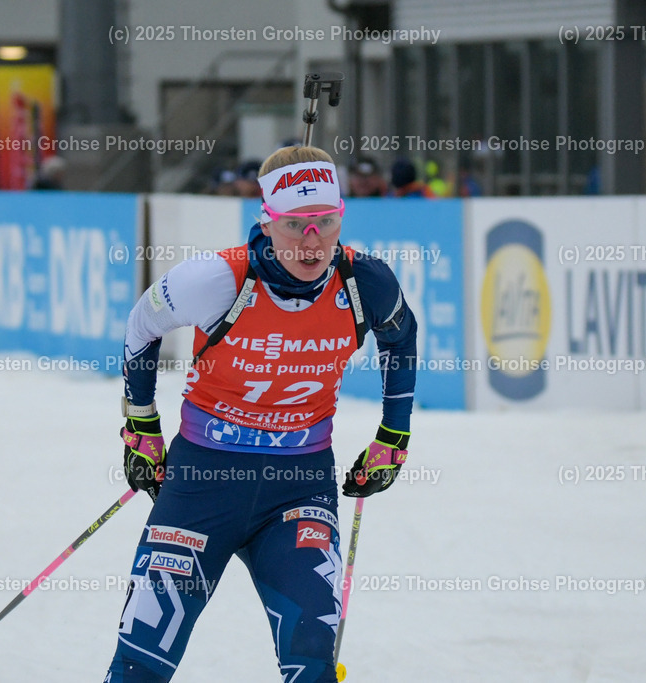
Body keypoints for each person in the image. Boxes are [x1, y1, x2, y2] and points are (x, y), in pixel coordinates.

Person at [103, 145, 418, 682]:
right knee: (144, 656)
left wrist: (394, 436)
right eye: (296, 224)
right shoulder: (216, 280)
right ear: (266, 222)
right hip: (203, 482)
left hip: (298, 486)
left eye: (326, 221)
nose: (313, 240)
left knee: (312, 653)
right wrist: (142, 426)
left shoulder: (366, 282)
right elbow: (141, 327)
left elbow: (402, 337)